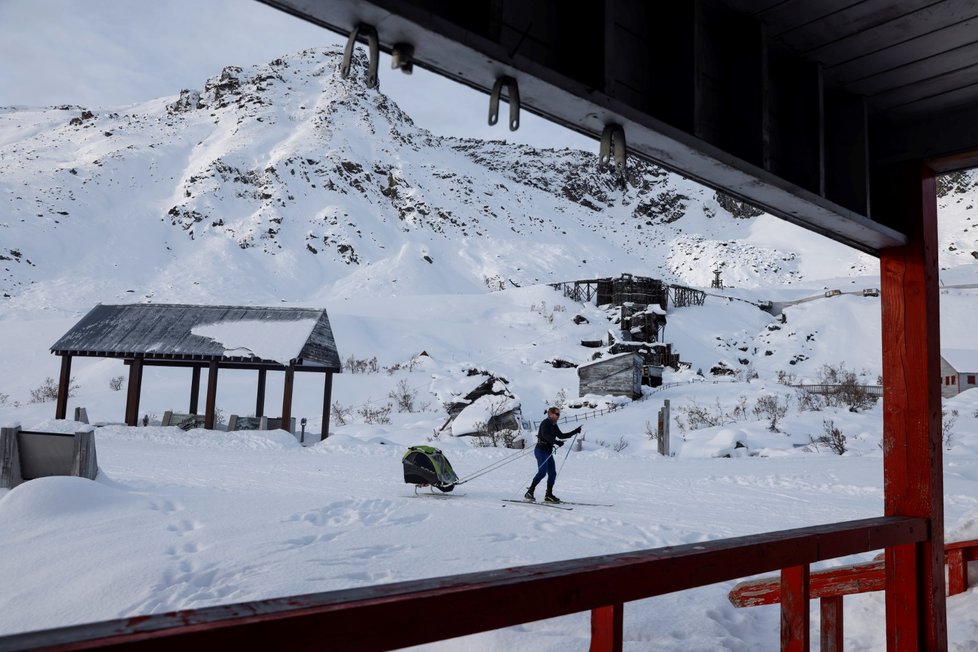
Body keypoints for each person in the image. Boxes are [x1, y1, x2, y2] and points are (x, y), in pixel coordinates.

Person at [524, 407, 581, 503]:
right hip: (540, 450)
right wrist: (556, 442)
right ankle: (530, 492)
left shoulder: (553, 424)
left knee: (552, 473)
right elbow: (545, 435)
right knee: (542, 472)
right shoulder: (545, 423)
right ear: (550, 414)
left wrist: (575, 431)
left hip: (548, 451)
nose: (558, 416)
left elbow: (561, 435)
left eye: (559, 414)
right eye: (557, 414)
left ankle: (548, 495)